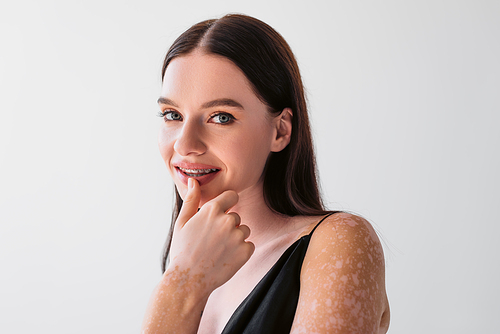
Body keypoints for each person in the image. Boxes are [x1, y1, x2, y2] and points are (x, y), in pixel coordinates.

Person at [142, 14, 390, 334]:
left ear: (280, 131)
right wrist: (183, 276)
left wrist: (182, 284)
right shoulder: (190, 258)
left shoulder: (340, 241)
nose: (186, 144)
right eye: (172, 114)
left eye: (221, 117)